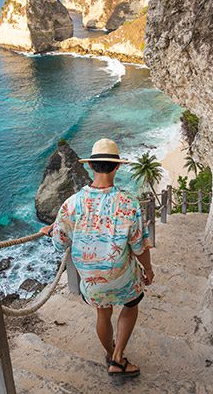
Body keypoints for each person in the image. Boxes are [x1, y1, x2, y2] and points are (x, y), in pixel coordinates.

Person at [39, 138, 153, 378]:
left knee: (103, 313)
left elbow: (60, 243)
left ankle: (110, 353)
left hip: (91, 280)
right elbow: (139, 246)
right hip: (121, 274)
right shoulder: (129, 204)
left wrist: (51, 229)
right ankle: (118, 357)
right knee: (131, 305)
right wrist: (149, 271)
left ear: (91, 167)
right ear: (117, 167)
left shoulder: (71, 204)